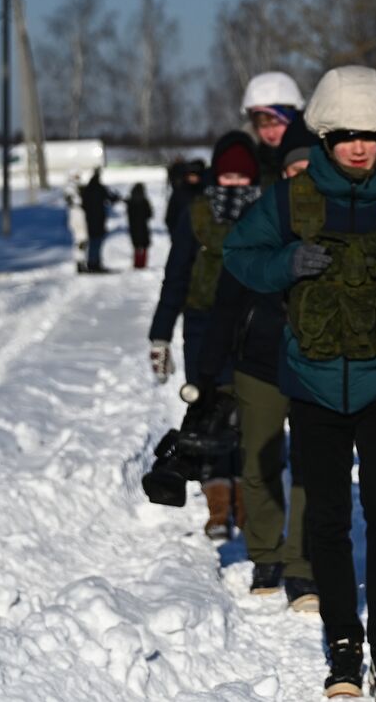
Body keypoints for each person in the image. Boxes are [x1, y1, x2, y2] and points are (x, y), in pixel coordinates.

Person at [224, 65, 376, 701]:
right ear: (326, 137)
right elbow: (239, 255)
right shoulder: (290, 200)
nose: (359, 147)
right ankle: (342, 645)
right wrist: (285, 262)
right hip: (310, 383)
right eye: (345, 135)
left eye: (371, 136)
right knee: (328, 520)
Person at [197, 120, 323, 610]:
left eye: (311, 167)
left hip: (318, 364)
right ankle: (267, 555)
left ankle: (303, 566)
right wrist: (209, 371)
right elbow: (228, 296)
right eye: (293, 167)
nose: (301, 176)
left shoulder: (343, 218)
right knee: (260, 461)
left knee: (313, 466)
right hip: (260, 360)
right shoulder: (262, 217)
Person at [150, 131, 263, 538]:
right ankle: (218, 508)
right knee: (207, 417)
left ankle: (249, 506)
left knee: (250, 420)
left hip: (252, 329)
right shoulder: (196, 214)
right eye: (228, 176)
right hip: (201, 327)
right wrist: (160, 334)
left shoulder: (267, 213)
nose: (234, 183)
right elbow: (176, 275)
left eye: (242, 177)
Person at [241, 71, 306, 186]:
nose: (270, 133)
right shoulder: (249, 164)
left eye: (277, 123)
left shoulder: (315, 157)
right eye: (263, 125)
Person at [78, 168, 120, 273]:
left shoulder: (88, 189)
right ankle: (94, 263)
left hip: (90, 220)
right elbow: (111, 198)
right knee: (96, 241)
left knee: (93, 241)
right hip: (99, 219)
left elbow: (83, 205)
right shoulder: (100, 188)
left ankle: (92, 262)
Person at [164, 158, 207, 234]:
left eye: (195, 176)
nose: (193, 178)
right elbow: (170, 217)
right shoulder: (178, 193)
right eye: (191, 175)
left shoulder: (204, 192)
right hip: (182, 234)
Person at [64, 172, 89, 273]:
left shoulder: (77, 188)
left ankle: (81, 262)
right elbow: (74, 201)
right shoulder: (71, 189)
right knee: (80, 241)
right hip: (77, 218)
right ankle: (79, 262)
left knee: (82, 241)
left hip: (80, 217)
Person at [126, 182, 154, 269]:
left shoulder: (130, 201)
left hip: (133, 226)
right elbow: (149, 214)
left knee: (136, 246)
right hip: (143, 226)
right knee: (144, 246)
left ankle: (137, 263)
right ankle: (143, 263)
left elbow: (128, 214)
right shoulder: (144, 201)